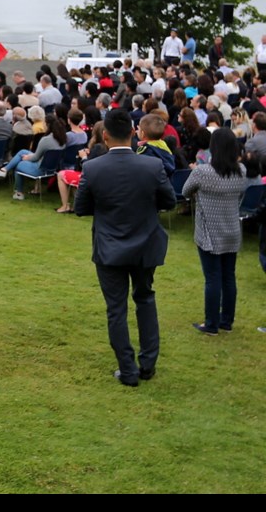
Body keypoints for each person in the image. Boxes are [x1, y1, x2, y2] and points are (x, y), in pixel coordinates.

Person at [74, 109, 177, 387]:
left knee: (117, 308)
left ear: (105, 136)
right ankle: (143, 366)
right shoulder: (148, 167)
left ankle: (134, 368)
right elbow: (169, 201)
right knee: (144, 299)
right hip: (139, 244)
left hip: (112, 246)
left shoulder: (96, 168)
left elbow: (81, 208)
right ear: (133, 134)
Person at [182, 129, 249, 336]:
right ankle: (226, 321)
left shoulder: (202, 172)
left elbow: (185, 191)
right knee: (228, 276)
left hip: (209, 230)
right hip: (231, 229)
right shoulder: (241, 171)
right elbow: (241, 195)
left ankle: (211, 323)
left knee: (212, 277)